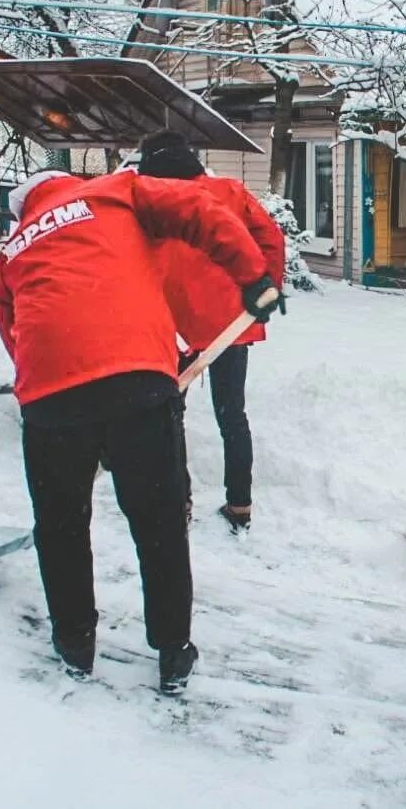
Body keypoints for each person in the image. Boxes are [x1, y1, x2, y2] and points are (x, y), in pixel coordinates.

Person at [0, 168, 280, 694]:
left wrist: (56, 382)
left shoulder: (12, 250)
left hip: (51, 397)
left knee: (61, 526)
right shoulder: (115, 190)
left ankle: (74, 643)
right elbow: (199, 211)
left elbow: (10, 324)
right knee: (158, 522)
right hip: (137, 379)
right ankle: (172, 649)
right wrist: (253, 276)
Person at [138, 130, 286, 536]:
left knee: (171, 416)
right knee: (232, 415)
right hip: (230, 323)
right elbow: (271, 237)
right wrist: (266, 287)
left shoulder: (147, 199)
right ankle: (240, 505)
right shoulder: (228, 191)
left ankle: (178, 501)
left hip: (173, 327)